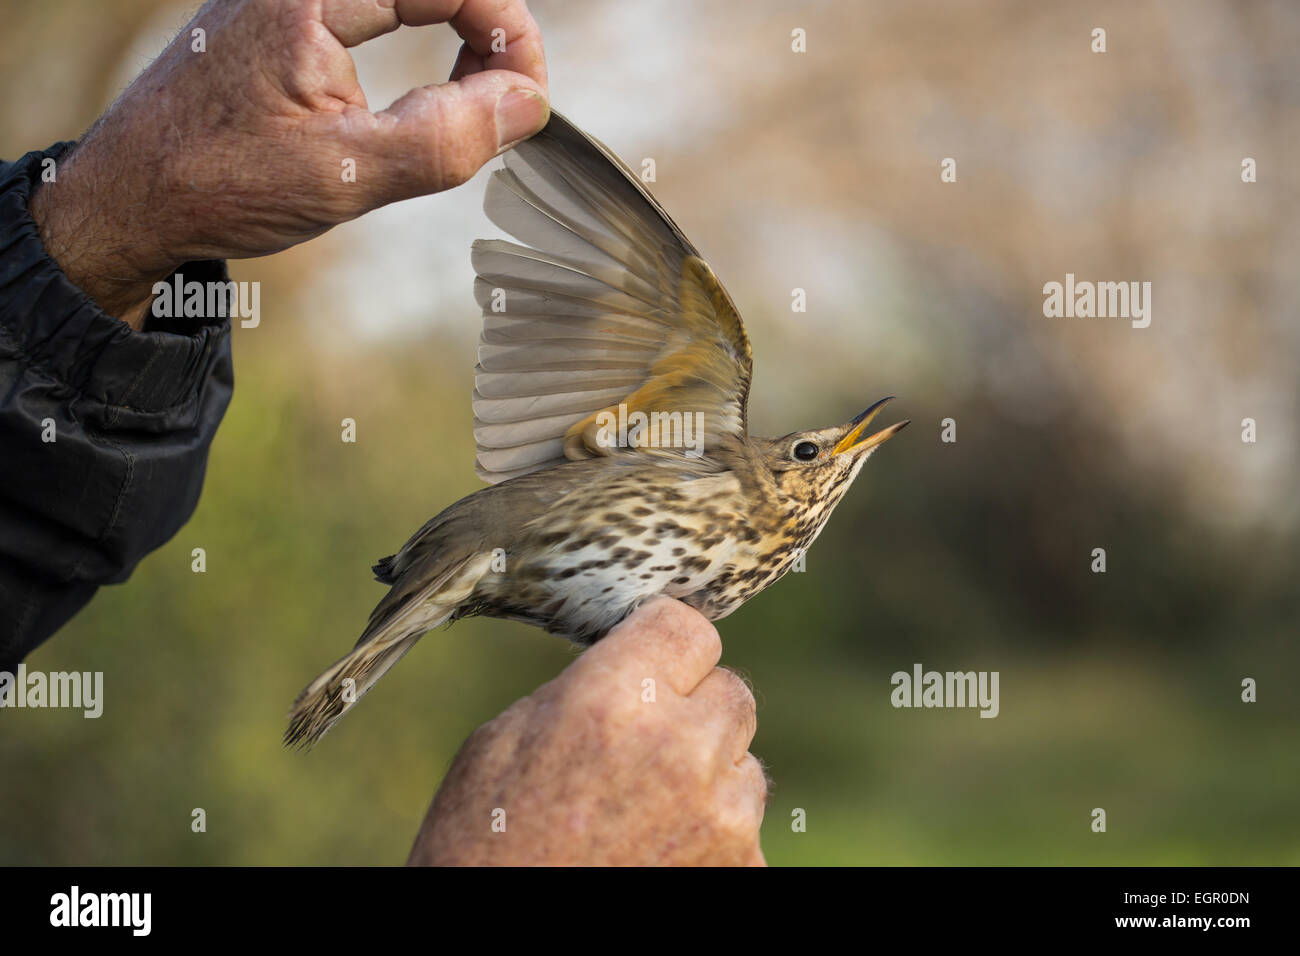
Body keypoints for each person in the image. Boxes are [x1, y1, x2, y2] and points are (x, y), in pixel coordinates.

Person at [0, 0, 767, 866]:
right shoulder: (711, 415)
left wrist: (128, 204)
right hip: (499, 545)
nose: (828, 451)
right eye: (810, 453)